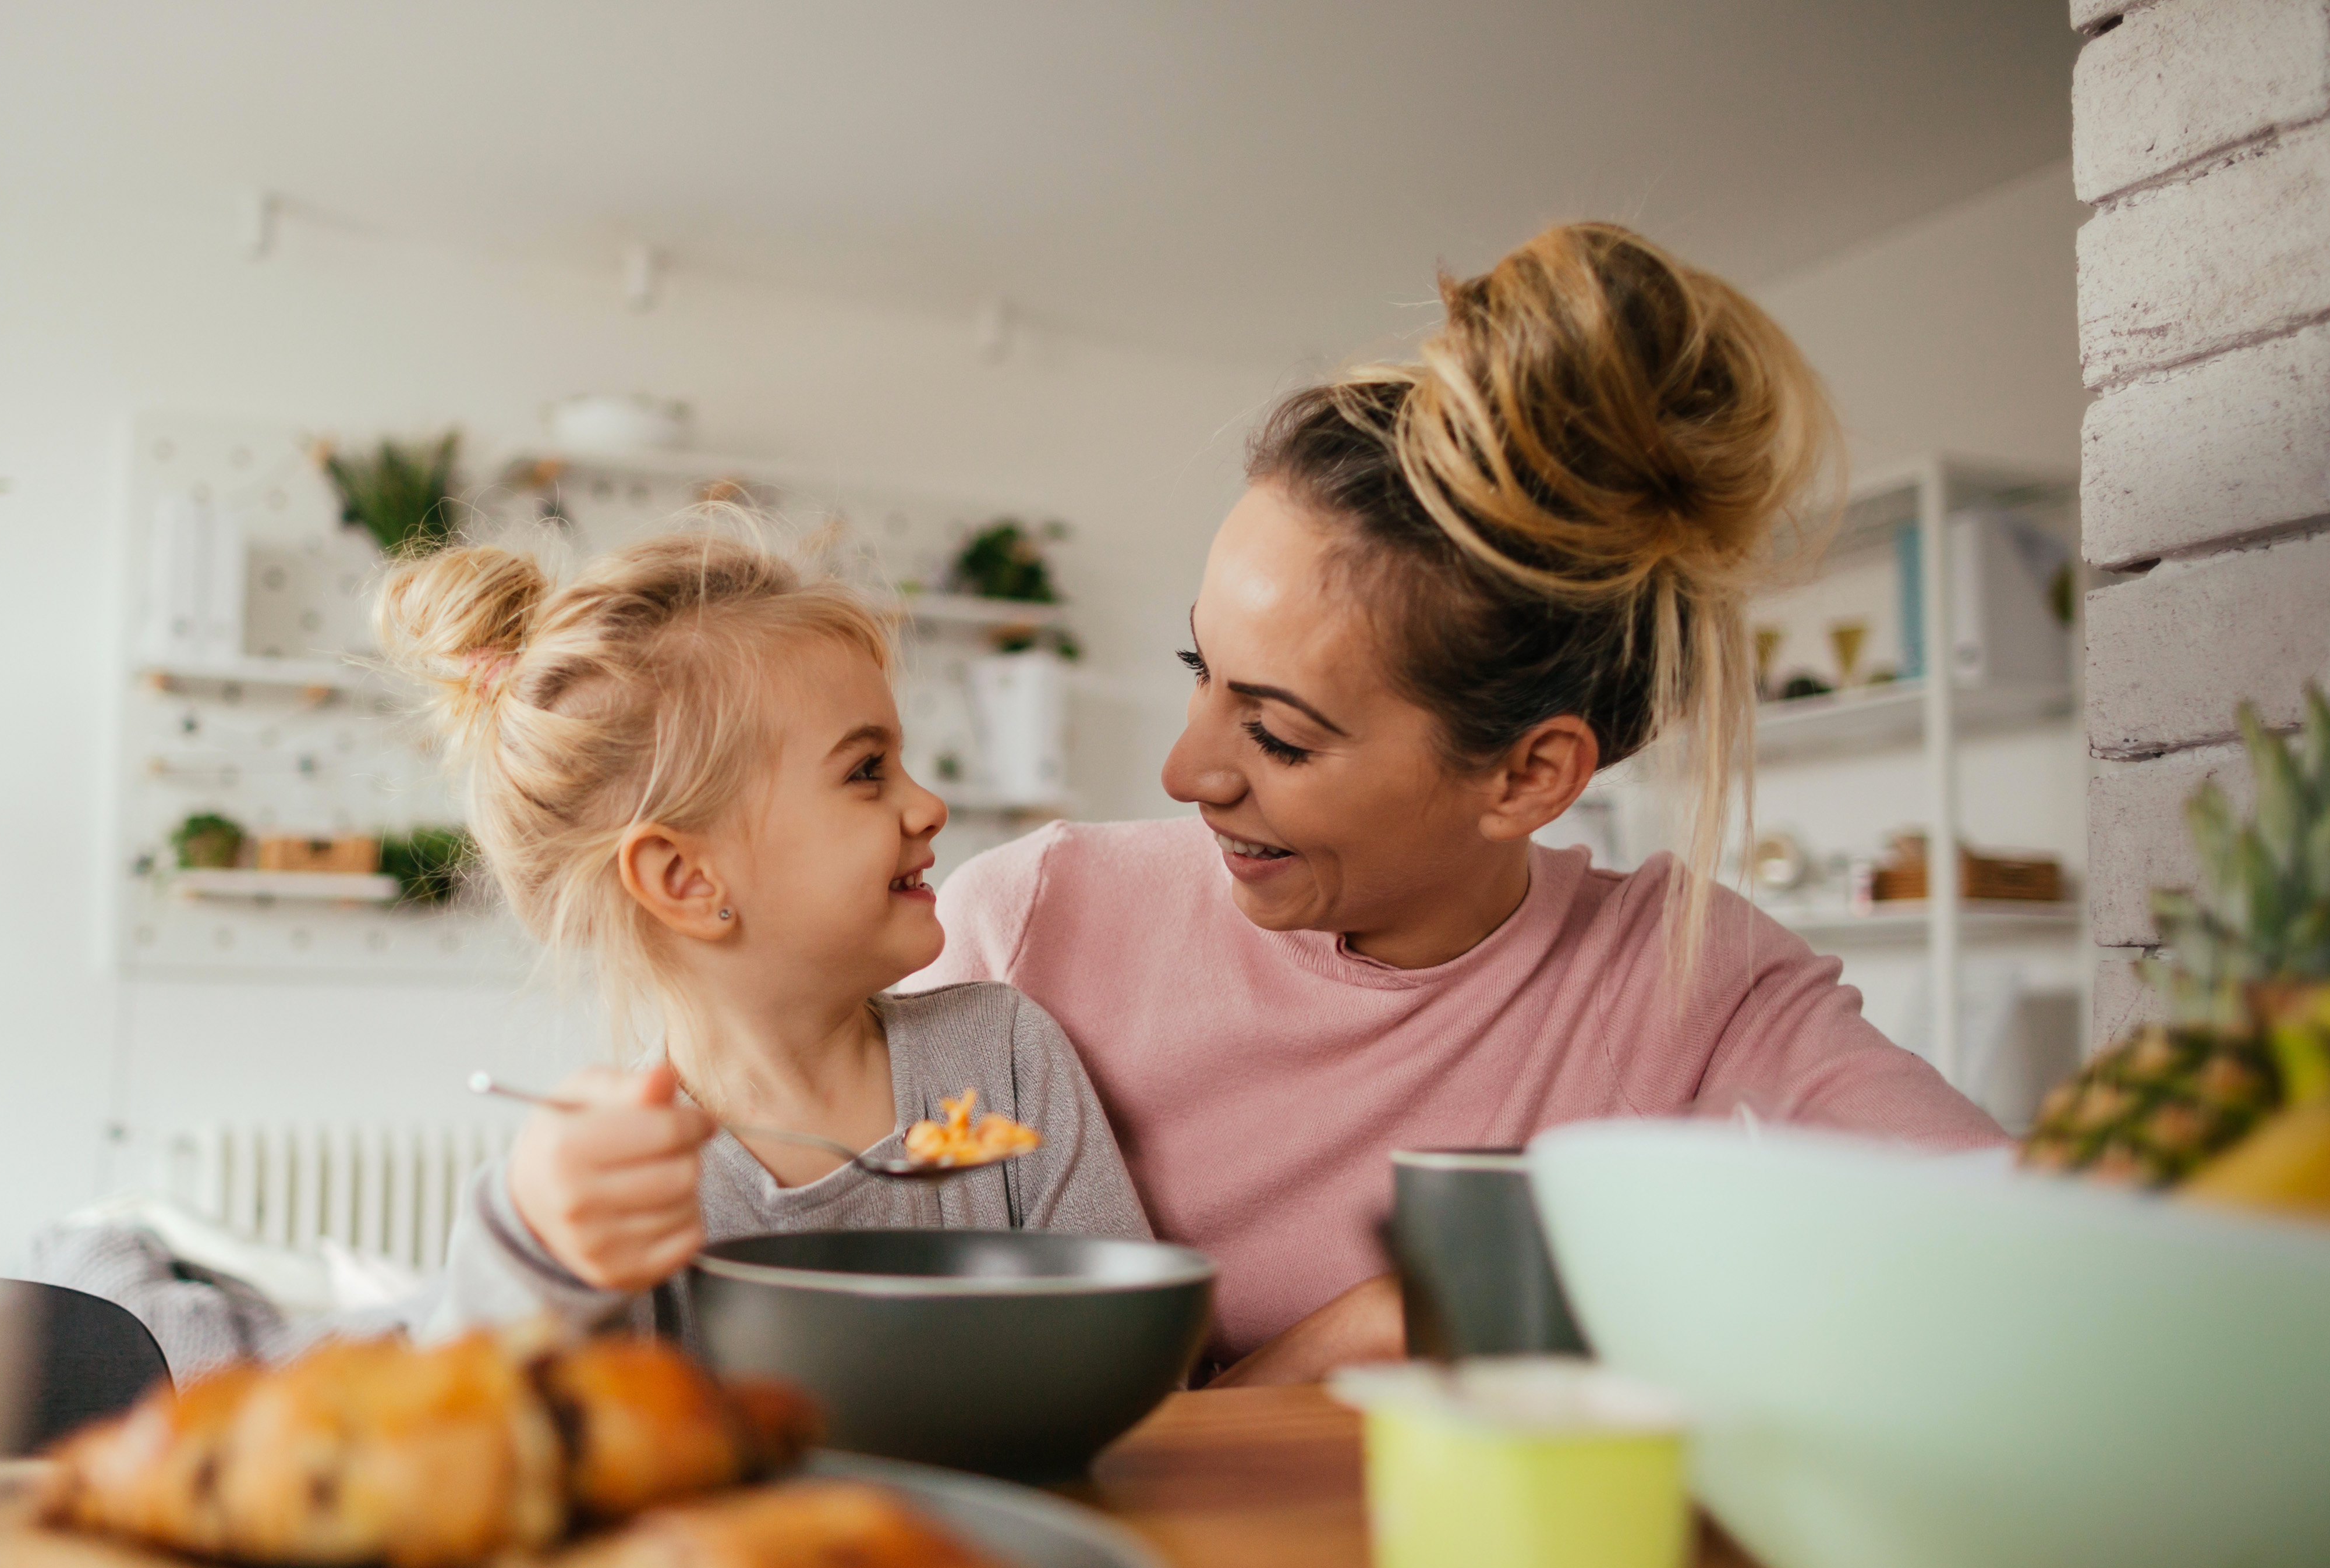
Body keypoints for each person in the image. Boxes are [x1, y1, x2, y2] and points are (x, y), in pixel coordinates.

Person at [908, 222, 2006, 1386]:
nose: (1186, 774)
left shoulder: (1689, 976)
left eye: (1277, 733)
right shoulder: (1027, 922)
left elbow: (2017, 1252)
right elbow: (894, 1380)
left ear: (1528, 775)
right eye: (1201, 673)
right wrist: (1361, 1333)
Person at [382, 520, 1149, 1342]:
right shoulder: (633, 1181)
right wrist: (536, 1251)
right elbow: (501, 1417)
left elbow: (1133, 1348)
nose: (929, 806)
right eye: (864, 771)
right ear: (686, 878)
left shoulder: (1003, 1054)